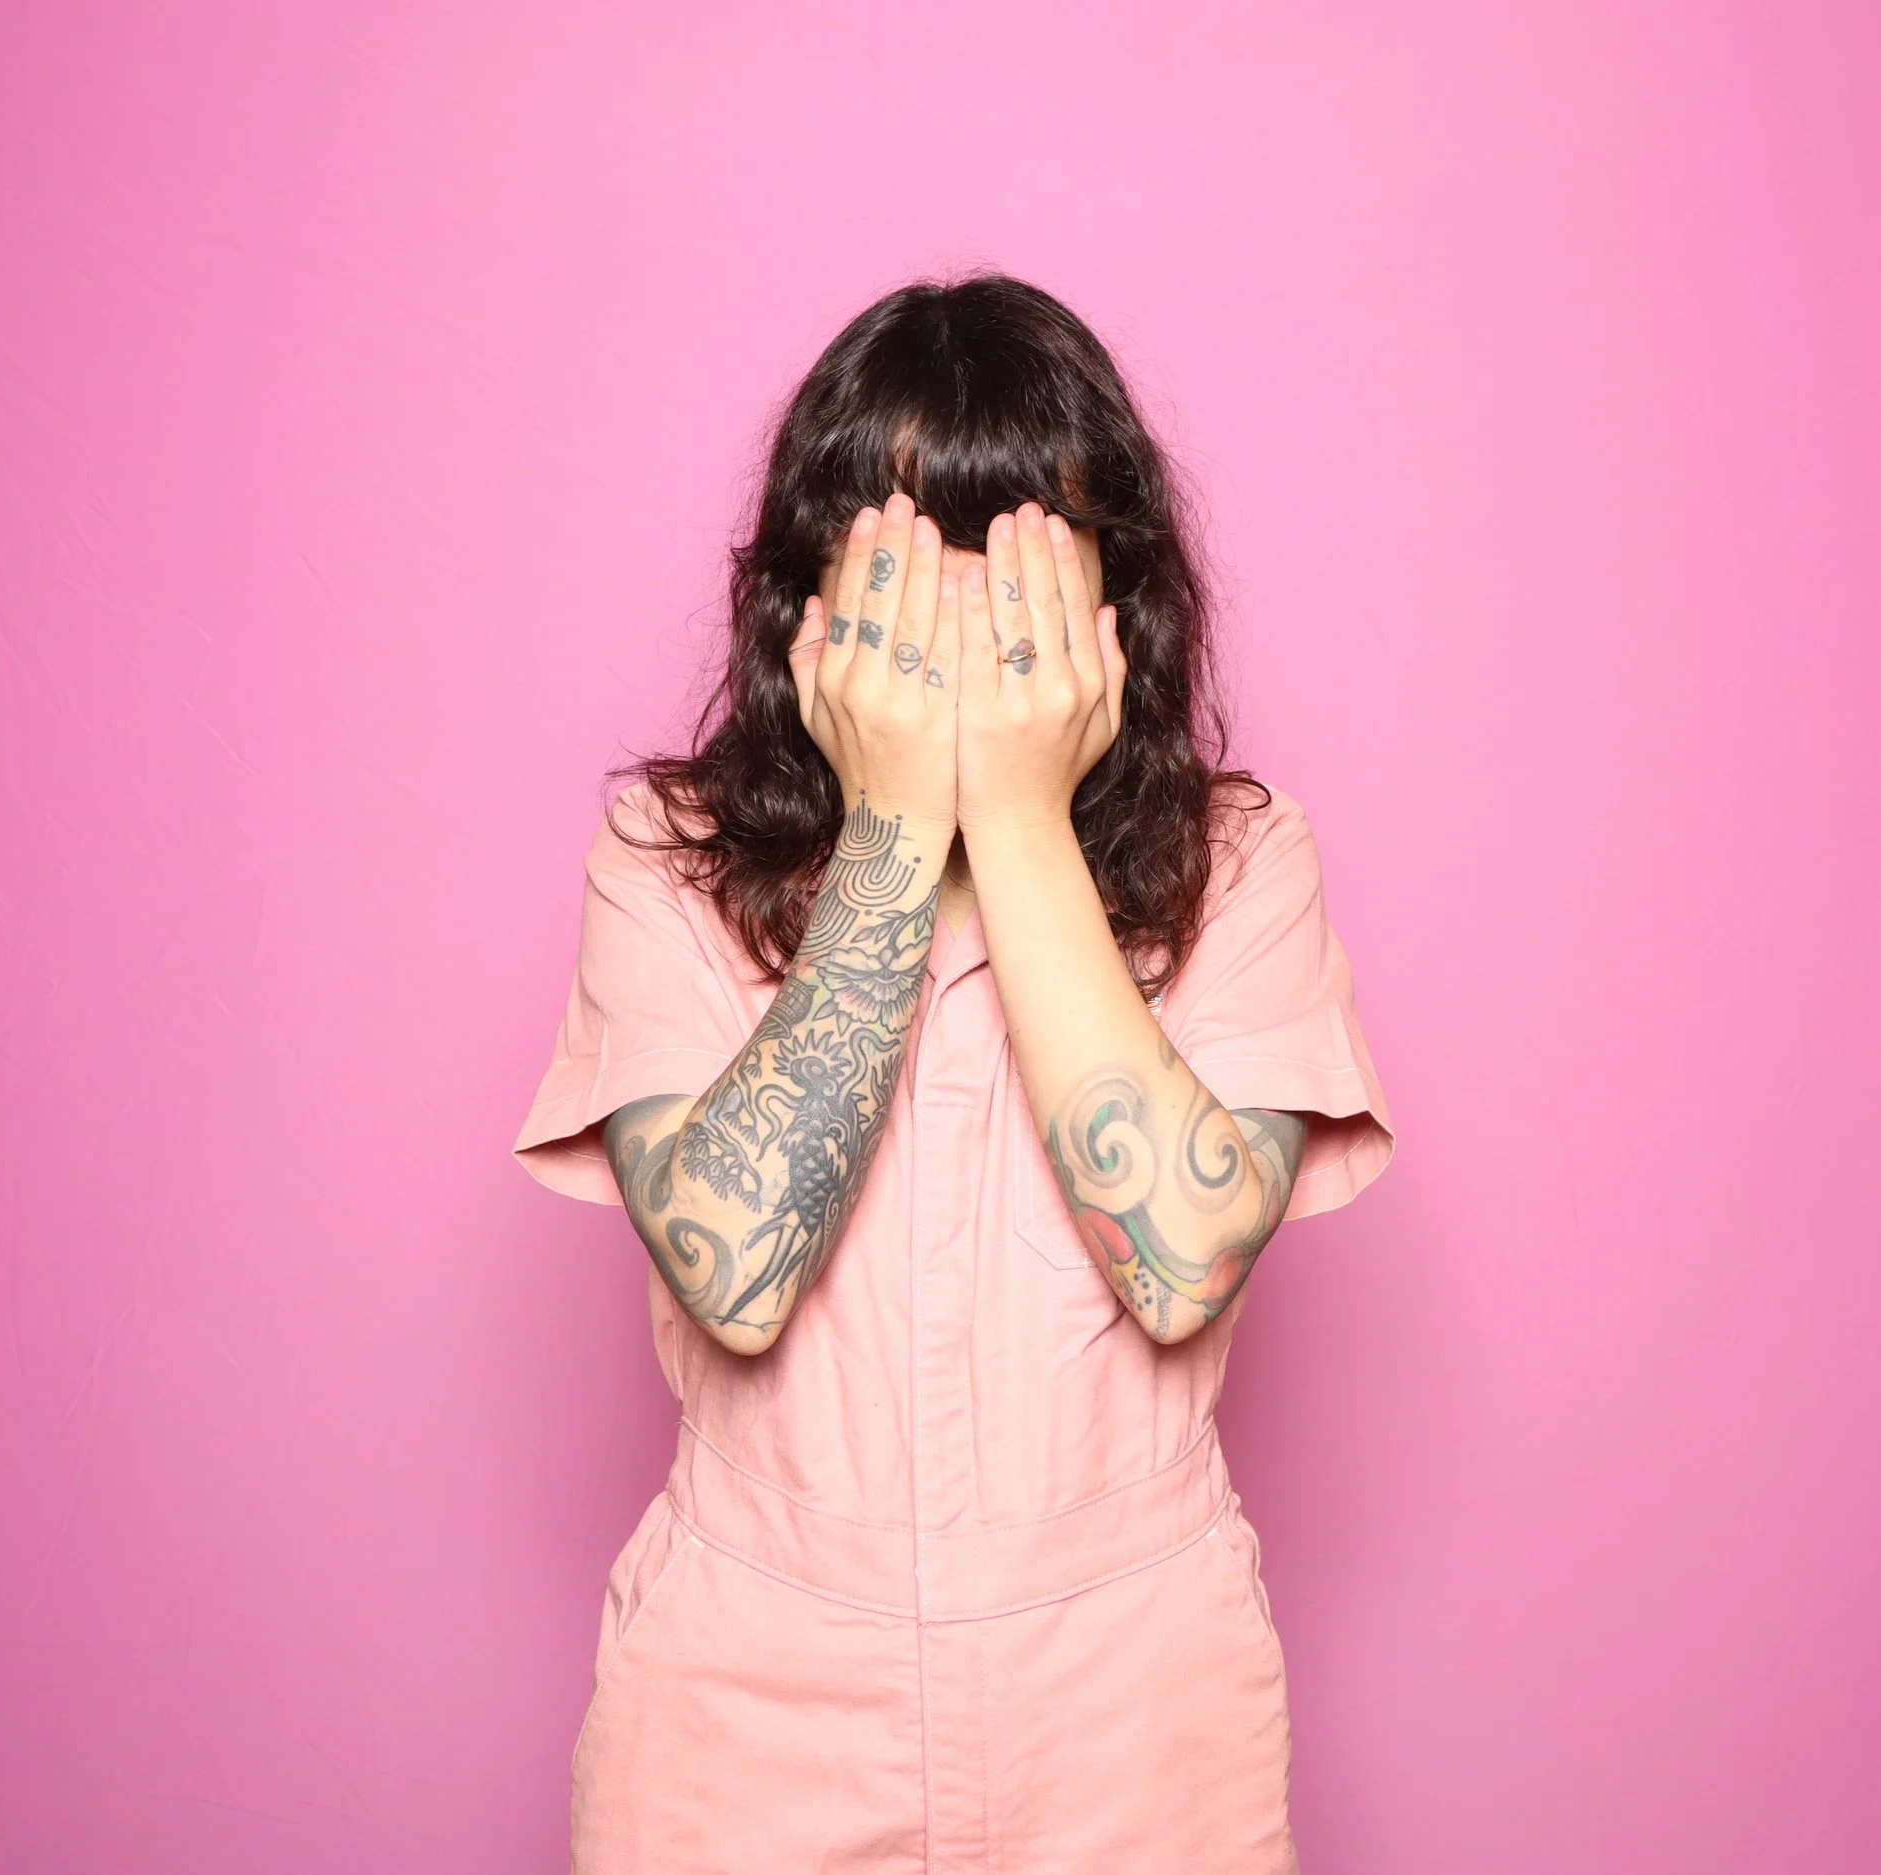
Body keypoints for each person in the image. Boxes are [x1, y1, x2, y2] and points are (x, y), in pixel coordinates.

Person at [511, 272, 1396, 1873]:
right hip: (748, 1715)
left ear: (1117, 599)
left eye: (1023, 568)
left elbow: (1184, 1264)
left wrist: (1023, 812)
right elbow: (734, 1274)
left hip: (1134, 1719)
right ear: (808, 599)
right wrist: (899, 812)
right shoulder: (662, 859)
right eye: (913, 568)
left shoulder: (1246, 863)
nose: (968, 629)